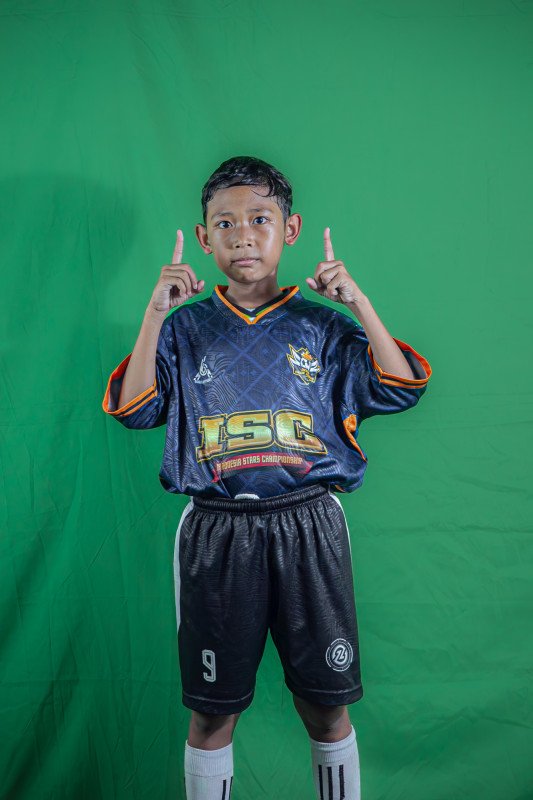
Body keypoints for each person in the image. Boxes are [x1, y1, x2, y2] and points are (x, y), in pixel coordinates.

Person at [102, 155, 432, 800]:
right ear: (204, 239)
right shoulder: (183, 329)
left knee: (327, 706)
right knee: (211, 713)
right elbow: (136, 410)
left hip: (308, 524)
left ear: (291, 229)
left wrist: (358, 302)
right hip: (218, 532)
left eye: (260, 219)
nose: (244, 235)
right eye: (225, 224)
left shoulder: (324, 326)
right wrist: (154, 314)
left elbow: (399, 387)